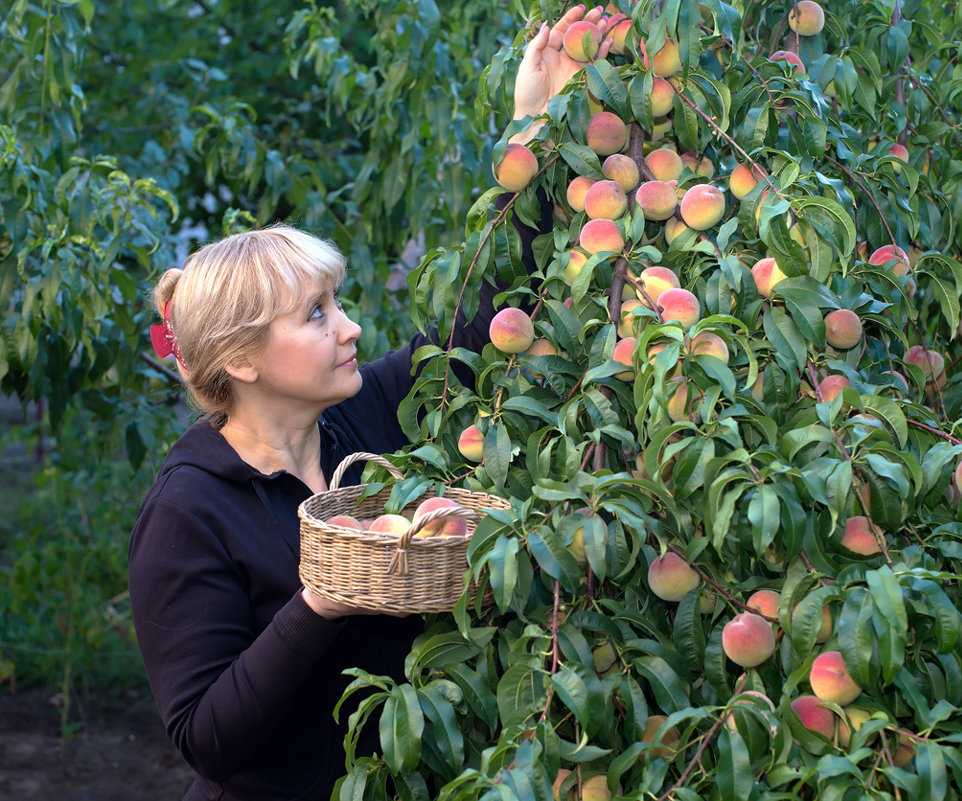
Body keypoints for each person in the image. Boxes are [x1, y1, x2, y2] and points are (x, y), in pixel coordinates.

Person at [128, 7, 614, 800]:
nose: (350, 326)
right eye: (316, 314)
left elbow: (486, 305)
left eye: (338, 301)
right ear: (242, 358)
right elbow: (207, 738)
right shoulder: (191, 509)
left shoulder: (365, 416)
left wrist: (533, 125)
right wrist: (320, 599)